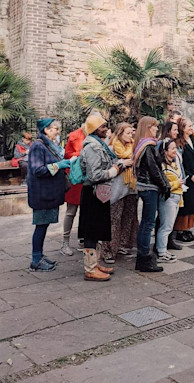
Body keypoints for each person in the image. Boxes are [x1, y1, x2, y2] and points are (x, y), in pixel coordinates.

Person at [78, 114, 118, 281]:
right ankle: (90, 269)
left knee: (97, 230)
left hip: (99, 193)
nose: (106, 128)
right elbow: (95, 175)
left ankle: (95, 263)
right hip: (93, 193)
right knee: (91, 231)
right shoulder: (92, 147)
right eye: (102, 126)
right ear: (95, 129)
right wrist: (114, 171)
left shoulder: (98, 145)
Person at [27, 119, 71, 271]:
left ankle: (39, 255)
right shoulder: (38, 146)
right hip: (42, 195)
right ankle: (36, 259)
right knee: (40, 226)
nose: (58, 131)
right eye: (55, 129)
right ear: (46, 130)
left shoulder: (47, 145)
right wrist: (58, 165)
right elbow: (37, 170)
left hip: (47, 193)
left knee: (43, 226)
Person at [133, 116, 169, 272]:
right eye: (154, 127)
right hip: (149, 187)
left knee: (146, 223)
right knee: (148, 224)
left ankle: (143, 256)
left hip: (145, 186)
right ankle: (144, 258)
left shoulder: (143, 145)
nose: (156, 129)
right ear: (148, 128)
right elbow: (154, 170)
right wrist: (165, 185)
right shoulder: (147, 146)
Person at [102, 122, 138, 263]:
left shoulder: (133, 147)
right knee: (114, 220)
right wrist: (123, 164)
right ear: (120, 133)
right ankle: (109, 250)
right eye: (128, 133)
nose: (131, 135)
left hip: (130, 188)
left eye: (131, 132)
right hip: (116, 189)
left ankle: (123, 244)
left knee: (128, 218)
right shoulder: (111, 148)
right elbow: (107, 168)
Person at [174, 118, 194, 244]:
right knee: (185, 205)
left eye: (192, 125)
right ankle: (181, 230)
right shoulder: (179, 143)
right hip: (187, 178)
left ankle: (189, 228)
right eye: (189, 126)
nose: (191, 128)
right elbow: (181, 163)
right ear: (182, 128)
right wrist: (190, 175)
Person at [154, 120, 182, 251]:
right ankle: (160, 248)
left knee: (169, 223)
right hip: (168, 194)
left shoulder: (173, 159)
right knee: (165, 222)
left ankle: (166, 243)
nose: (177, 132)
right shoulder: (162, 160)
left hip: (177, 192)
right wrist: (176, 183)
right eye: (175, 129)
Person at [157, 138, 184, 263]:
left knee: (169, 225)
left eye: (175, 148)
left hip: (177, 197)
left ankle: (163, 249)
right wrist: (177, 183)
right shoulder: (162, 166)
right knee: (166, 226)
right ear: (165, 151)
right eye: (172, 148)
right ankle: (161, 252)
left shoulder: (173, 163)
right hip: (168, 198)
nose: (175, 151)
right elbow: (164, 184)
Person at [62, 123, 87, 256]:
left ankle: (83, 240)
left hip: (87, 177)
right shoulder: (75, 136)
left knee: (86, 211)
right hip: (75, 176)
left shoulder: (93, 135)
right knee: (71, 211)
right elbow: (67, 154)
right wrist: (83, 153)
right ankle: (65, 242)